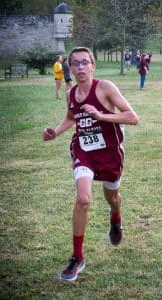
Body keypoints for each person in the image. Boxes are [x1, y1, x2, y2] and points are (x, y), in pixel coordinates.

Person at [42, 47, 139, 281]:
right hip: (83, 150)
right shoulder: (71, 93)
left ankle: (115, 217)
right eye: (75, 63)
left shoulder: (104, 87)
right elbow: (70, 118)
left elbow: (132, 117)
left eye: (85, 62)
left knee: (113, 197)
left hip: (110, 153)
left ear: (93, 66)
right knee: (83, 199)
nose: (80, 67)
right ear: (70, 68)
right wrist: (55, 132)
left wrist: (101, 116)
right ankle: (77, 257)